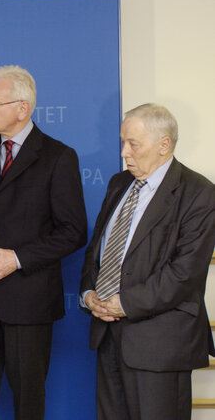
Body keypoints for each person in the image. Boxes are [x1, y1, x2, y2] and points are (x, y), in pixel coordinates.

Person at [0, 65, 88, 420]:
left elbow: (73, 231)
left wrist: (18, 258)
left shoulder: (58, 157)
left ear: (22, 108)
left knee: (28, 401)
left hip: (30, 300)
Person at [79, 103, 215, 420]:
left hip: (160, 346)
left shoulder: (199, 194)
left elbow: (184, 274)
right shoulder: (119, 183)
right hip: (108, 337)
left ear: (163, 144)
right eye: (122, 142)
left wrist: (122, 303)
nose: (124, 152)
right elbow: (96, 249)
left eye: (133, 144)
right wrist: (89, 295)